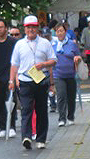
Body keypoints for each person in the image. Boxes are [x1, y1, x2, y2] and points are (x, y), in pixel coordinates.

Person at [9, 15, 57, 150]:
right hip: (25, 81)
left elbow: (54, 60)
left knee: (41, 110)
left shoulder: (45, 43)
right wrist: (11, 80)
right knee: (26, 109)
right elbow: (14, 64)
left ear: (37, 28)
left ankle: (41, 139)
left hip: (41, 80)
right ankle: (26, 137)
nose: (31, 30)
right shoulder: (19, 44)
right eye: (28, 27)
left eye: (34, 27)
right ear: (25, 29)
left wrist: (44, 64)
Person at [52, 23, 82, 127]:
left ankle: (70, 117)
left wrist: (77, 59)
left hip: (71, 74)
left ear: (65, 32)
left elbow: (78, 55)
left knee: (71, 97)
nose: (60, 33)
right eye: (58, 31)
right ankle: (61, 118)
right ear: (55, 33)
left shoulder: (71, 44)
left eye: (61, 31)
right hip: (58, 74)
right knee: (61, 96)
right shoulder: (53, 45)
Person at [41, 27, 57, 113]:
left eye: (47, 36)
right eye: (44, 36)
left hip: (56, 67)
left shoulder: (56, 41)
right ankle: (53, 104)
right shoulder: (42, 43)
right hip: (46, 67)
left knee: (55, 86)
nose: (46, 37)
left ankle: (58, 103)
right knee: (49, 86)